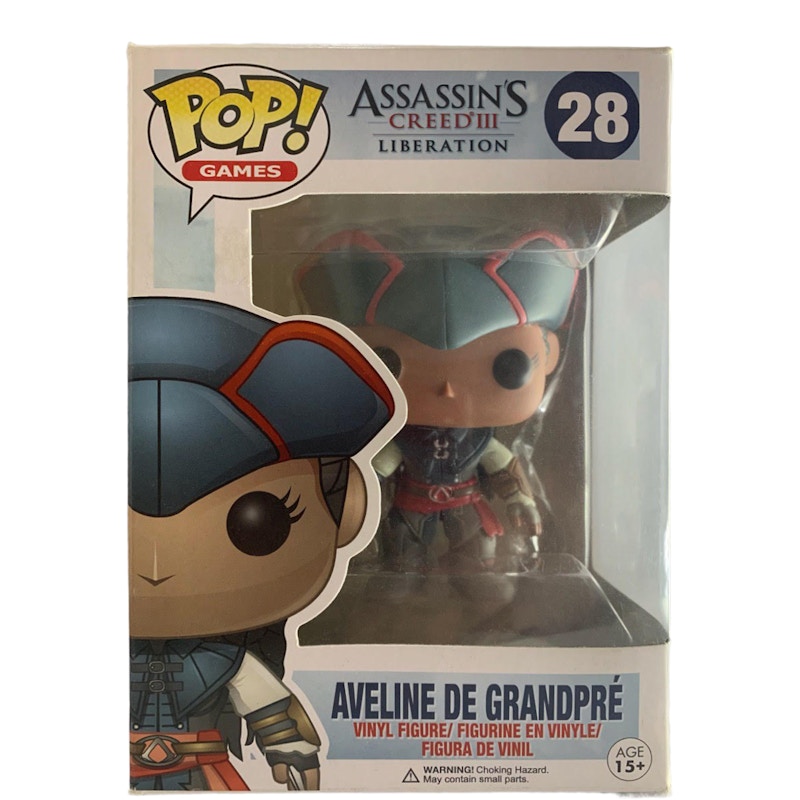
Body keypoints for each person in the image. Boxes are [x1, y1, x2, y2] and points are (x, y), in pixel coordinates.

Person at [129, 297, 397, 790]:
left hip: (201, 771)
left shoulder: (225, 661)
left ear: (346, 508)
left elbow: (267, 706)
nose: (156, 569)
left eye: (257, 525)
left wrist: (292, 750)